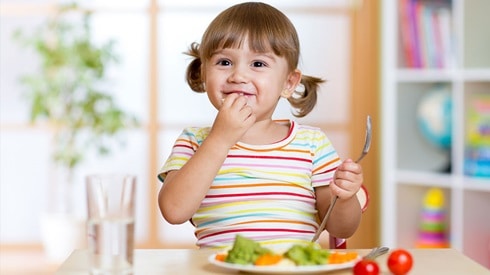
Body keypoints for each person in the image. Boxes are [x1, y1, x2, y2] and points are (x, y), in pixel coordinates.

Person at [158, 2, 363, 251]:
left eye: (258, 64)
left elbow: (342, 229)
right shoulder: (193, 141)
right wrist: (220, 139)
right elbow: (174, 211)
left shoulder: (312, 144)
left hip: (291, 269)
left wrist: (345, 197)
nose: (238, 76)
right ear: (204, 72)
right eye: (224, 62)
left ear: (288, 82)